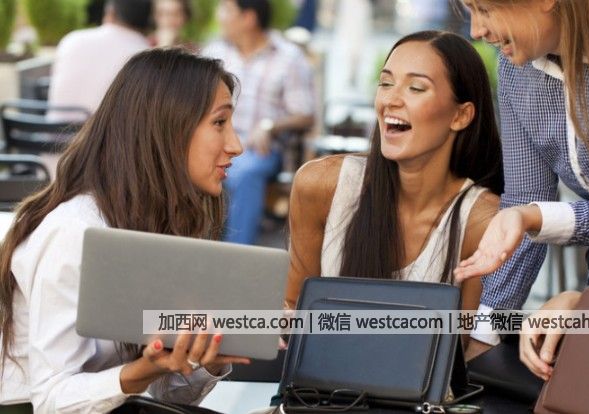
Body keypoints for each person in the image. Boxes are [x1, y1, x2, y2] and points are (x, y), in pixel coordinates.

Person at [0, 49, 249, 412]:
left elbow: (168, 394)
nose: (236, 145)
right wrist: (137, 374)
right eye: (219, 122)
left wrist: (204, 359)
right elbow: (52, 400)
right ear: (166, 128)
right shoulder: (74, 232)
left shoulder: (153, 224)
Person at [453, 0, 589, 359]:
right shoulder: (516, 71)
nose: (476, 31)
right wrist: (485, 334)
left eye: (484, 9)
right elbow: (524, 199)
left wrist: (533, 217)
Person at [284, 30, 503, 318]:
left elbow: (468, 341)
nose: (391, 99)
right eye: (386, 83)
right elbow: (293, 307)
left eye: (416, 88)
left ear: (460, 116)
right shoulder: (320, 184)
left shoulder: (482, 221)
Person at [202, 0, 316, 245]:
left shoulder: (289, 57)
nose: (220, 16)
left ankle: (235, 257)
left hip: (262, 149)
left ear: (248, 18)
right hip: (214, 144)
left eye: (227, 10)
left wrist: (269, 126)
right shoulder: (214, 52)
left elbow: (306, 114)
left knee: (244, 172)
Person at [48, 0, 152, 121]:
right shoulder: (143, 53)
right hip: (103, 132)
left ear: (110, 12)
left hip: (48, 130)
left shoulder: (71, 39)